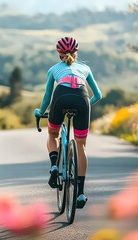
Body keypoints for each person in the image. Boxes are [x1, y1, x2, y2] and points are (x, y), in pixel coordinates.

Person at [35, 36, 102, 209]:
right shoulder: (85, 68)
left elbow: (47, 98)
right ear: (76, 52)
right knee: (81, 147)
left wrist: (40, 112)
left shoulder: (53, 69)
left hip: (60, 98)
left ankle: (54, 166)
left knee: (53, 134)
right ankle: (80, 193)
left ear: (59, 53)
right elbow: (98, 95)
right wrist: (86, 105)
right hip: (82, 98)